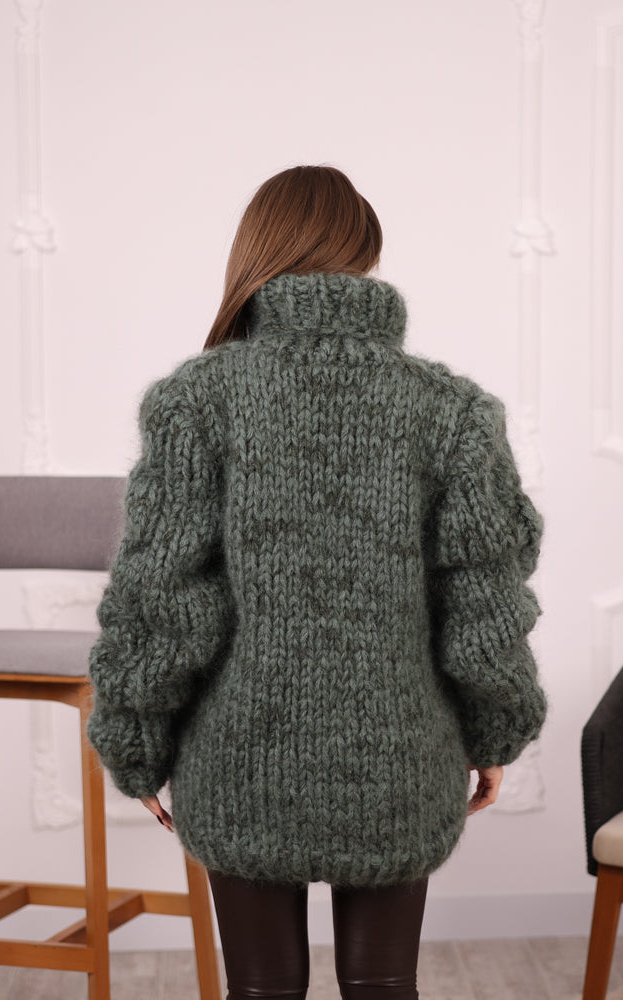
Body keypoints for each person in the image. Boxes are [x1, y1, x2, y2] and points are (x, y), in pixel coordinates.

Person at [86, 165, 546, 1000]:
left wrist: (136, 744)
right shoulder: (452, 411)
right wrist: (493, 732)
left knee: (261, 990)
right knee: (384, 985)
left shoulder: (197, 402)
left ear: (256, 254)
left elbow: (161, 600)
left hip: (238, 761)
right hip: (400, 762)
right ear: (366, 255)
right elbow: (483, 602)